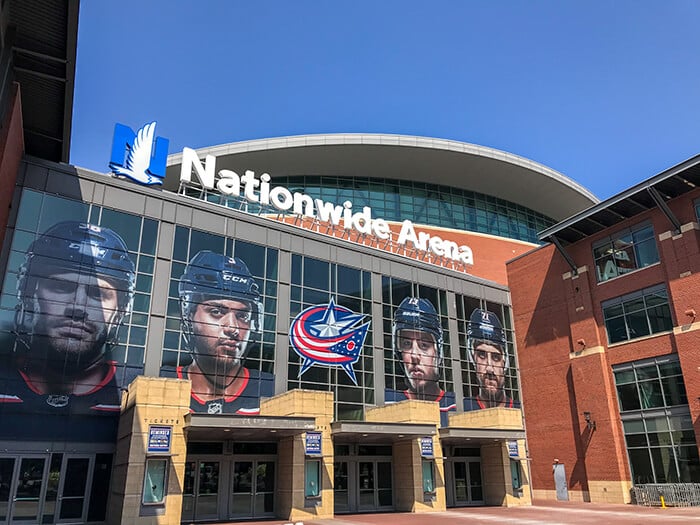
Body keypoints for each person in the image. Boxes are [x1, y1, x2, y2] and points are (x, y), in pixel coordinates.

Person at [0, 221, 135, 431]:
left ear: (119, 312)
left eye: (98, 295)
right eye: (61, 287)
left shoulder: (135, 387)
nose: (78, 307)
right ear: (30, 297)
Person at [171, 250, 274, 414]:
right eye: (216, 312)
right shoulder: (163, 381)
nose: (232, 328)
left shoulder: (270, 388)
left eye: (242, 316)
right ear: (188, 315)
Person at [385, 297, 455, 424]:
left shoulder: (456, 405)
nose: (415, 356)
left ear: (438, 352)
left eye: (424, 345)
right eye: (406, 344)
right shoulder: (388, 402)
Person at [464, 308, 520, 410]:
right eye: (482, 355)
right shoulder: (463, 408)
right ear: (472, 359)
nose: (489, 368)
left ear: (505, 362)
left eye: (495, 357)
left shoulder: (521, 411)